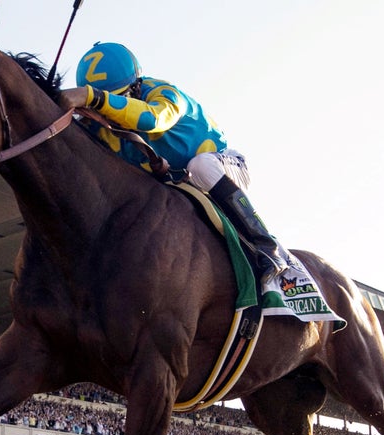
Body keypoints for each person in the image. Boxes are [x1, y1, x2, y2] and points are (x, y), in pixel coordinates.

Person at [58, 42, 289, 278]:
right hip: (174, 188)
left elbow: (153, 119)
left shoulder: (164, 92)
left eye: (118, 97)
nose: (109, 116)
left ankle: (266, 246)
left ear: (137, 86)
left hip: (222, 165)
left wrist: (94, 97)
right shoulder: (99, 124)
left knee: (200, 166)